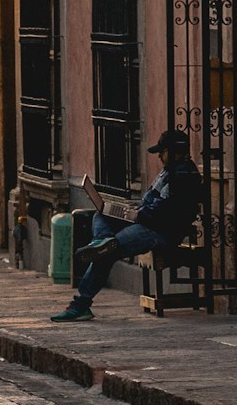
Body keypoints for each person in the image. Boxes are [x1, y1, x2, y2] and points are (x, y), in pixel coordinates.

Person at [50, 129, 204, 322]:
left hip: (159, 232)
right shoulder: (169, 171)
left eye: (162, 151)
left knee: (108, 252)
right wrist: (132, 209)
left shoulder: (184, 176)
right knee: (101, 214)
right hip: (145, 219)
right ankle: (101, 241)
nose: (159, 156)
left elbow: (162, 213)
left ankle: (81, 304)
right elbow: (152, 203)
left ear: (175, 152)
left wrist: (137, 214)